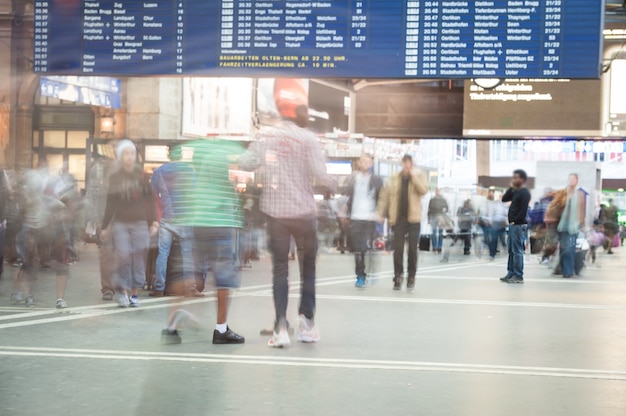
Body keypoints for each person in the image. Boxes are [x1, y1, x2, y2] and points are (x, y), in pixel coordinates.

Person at [240, 78, 336, 348]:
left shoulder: (267, 135)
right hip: (305, 215)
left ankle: (281, 329)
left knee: (280, 270)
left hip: (277, 216)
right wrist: (335, 184)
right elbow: (322, 176)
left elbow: (246, 163)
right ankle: (307, 325)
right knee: (308, 270)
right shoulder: (309, 139)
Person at [162, 139, 246, 345]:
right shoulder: (222, 180)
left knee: (194, 275)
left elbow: (185, 201)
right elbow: (231, 206)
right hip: (220, 227)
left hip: (198, 227)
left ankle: (171, 326)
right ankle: (221, 329)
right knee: (224, 279)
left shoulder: (197, 180)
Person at [101, 140, 159, 308]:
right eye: (126, 153)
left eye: (132, 153)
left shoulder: (142, 175)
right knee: (124, 256)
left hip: (141, 222)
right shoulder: (115, 177)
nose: (130, 157)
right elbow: (110, 202)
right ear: (121, 157)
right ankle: (122, 291)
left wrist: (153, 220)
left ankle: (134, 294)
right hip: (121, 223)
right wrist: (105, 226)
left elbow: (150, 199)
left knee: (138, 258)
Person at [150, 143, 199, 298]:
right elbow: (195, 193)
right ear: (181, 154)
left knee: (163, 254)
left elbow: (153, 196)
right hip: (185, 216)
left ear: (168, 154)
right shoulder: (189, 171)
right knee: (187, 254)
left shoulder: (159, 172)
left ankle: (159, 288)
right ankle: (190, 288)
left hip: (167, 218)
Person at [377, 154, 428, 291]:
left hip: (414, 218)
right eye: (405, 163)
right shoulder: (394, 178)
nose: (407, 166)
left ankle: (412, 276)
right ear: (402, 164)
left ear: (412, 164)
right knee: (398, 249)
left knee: (412, 249)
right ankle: (398, 276)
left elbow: (423, 190)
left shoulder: (419, 175)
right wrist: (381, 213)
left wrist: (414, 177)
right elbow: (384, 196)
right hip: (398, 218)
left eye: (409, 164)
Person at [345, 153, 383, 288]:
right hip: (356, 217)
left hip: (370, 218)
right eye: (362, 161)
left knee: (367, 247)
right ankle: (360, 276)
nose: (364, 163)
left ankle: (371, 270)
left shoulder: (377, 180)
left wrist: (380, 213)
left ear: (371, 164)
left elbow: (382, 198)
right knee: (358, 248)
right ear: (359, 163)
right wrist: (345, 209)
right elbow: (347, 196)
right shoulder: (352, 179)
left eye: (367, 161)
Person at [85, 153, 116, 300]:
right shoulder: (95, 171)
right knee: (106, 255)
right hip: (103, 219)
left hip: (121, 219)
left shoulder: (120, 171)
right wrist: (95, 220)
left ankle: (118, 285)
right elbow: (91, 196)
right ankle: (108, 288)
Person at [550, 174, 586, 278]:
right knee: (564, 248)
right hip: (562, 224)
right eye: (570, 179)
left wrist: (583, 224)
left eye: (573, 179)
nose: (571, 181)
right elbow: (554, 205)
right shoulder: (562, 193)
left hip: (575, 225)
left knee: (570, 247)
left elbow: (582, 210)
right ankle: (564, 268)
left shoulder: (579, 195)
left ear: (577, 181)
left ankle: (568, 271)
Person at [500, 169, 531, 284]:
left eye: (516, 177)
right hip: (512, 225)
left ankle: (518, 275)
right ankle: (511, 273)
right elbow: (504, 199)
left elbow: (523, 210)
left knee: (517, 250)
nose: (514, 179)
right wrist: (511, 188)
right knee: (511, 250)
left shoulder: (525, 193)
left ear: (522, 179)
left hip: (518, 225)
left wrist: (515, 221)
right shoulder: (516, 191)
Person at [485, 190, 508, 260]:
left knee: (503, 240)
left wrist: (507, 221)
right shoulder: (495, 204)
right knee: (494, 240)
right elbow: (491, 212)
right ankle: (492, 255)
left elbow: (507, 214)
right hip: (495, 224)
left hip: (502, 224)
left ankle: (506, 251)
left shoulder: (505, 205)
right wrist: (490, 220)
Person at [427, 188, 448, 254]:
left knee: (440, 232)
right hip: (434, 216)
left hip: (440, 217)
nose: (437, 192)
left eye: (438, 191)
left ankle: (439, 246)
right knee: (434, 232)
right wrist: (429, 218)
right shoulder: (432, 200)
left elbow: (446, 208)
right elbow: (429, 209)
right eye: (436, 191)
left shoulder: (443, 200)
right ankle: (435, 246)